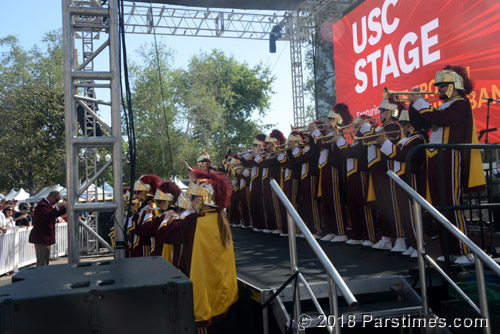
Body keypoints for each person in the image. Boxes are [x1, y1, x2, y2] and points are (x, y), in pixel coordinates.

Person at [408, 65, 485, 265]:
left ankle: (464, 250)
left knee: (451, 203)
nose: (439, 89)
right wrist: (413, 104)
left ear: (454, 85)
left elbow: (441, 119)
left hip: (450, 157)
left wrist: (421, 103)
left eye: (442, 85)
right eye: (438, 85)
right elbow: (420, 123)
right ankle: (449, 250)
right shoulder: (443, 106)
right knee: (439, 207)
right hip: (435, 158)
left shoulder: (461, 103)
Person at [157, 168, 238, 333]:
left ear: (202, 199)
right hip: (220, 288)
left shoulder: (194, 221)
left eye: (193, 197)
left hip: (204, 289)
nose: (190, 200)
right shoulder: (221, 218)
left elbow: (164, 235)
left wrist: (166, 220)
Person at [28, 191, 67, 266]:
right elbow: (46, 216)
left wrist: (64, 209)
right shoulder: (42, 205)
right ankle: (40, 277)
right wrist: (57, 207)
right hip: (41, 238)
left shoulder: (47, 205)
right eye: (56, 200)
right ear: (51, 197)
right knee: (42, 263)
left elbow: (53, 215)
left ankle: (43, 276)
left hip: (46, 238)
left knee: (45, 262)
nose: (57, 202)